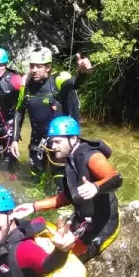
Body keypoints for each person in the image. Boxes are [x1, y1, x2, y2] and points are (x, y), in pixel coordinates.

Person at [12, 116, 122, 263]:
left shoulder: (90, 156)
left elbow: (116, 178)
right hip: (82, 218)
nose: (53, 146)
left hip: (102, 225)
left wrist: (96, 187)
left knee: (59, 260)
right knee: (40, 239)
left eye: (58, 141)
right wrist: (33, 206)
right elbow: (67, 197)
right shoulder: (71, 158)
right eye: (52, 141)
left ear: (73, 138)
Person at [10, 48, 93, 187]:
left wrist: (82, 74)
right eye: (32, 66)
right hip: (37, 139)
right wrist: (14, 140)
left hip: (59, 140)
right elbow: (19, 111)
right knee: (35, 181)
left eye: (39, 66)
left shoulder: (58, 81)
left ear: (48, 67)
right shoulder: (27, 86)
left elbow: (74, 83)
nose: (34, 70)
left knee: (61, 181)